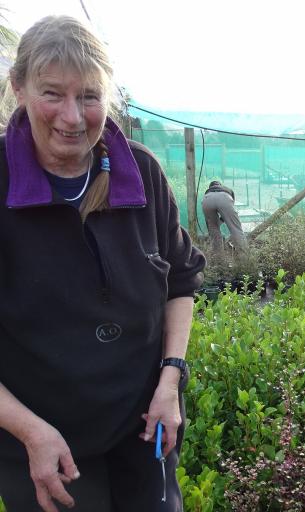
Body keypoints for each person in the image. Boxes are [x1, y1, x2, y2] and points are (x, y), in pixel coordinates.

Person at [0, 15, 205, 512]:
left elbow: (180, 280)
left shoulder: (141, 172)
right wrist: (30, 432)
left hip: (144, 427)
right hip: (45, 442)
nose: (73, 117)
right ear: (19, 89)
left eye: (90, 97)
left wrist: (169, 381)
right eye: (53, 93)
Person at [201, 179, 248, 254]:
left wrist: (213, 227)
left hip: (207, 199)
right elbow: (229, 210)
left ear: (210, 187)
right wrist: (224, 220)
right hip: (224, 197)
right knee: (235, 228)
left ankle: (218, 256)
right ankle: (244, 255)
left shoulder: (208, 191)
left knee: (213, 229)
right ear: (220, 185)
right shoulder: (227, 190)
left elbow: (208, 222)